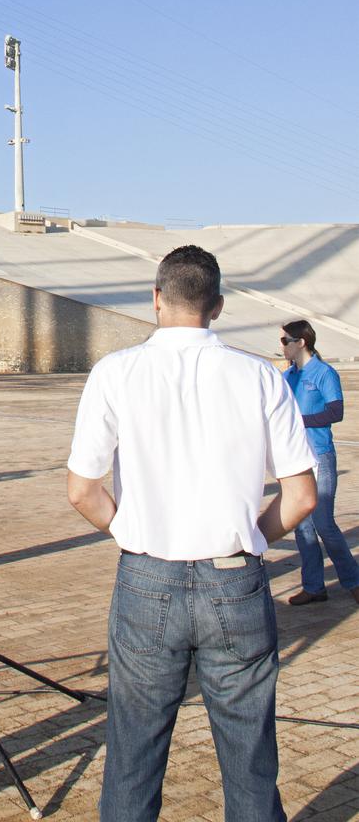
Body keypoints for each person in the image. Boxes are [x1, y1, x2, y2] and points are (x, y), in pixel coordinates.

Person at [67, 245, 317, 822]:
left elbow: (82, 490)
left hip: (146, 575)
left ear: (156, 299)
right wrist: (248, 537)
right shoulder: (259, 375)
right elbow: (301, 496)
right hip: (235, 577)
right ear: (219, 305)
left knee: (132, 755)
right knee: (250, 761)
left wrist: (129, 528)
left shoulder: (116, 371)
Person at [280, 319, 359, 606]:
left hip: (319, 455)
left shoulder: (324, 373)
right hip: (295, 458)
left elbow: (335, 411)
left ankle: (353, 580)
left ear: (301, 342)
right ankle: (314, 586)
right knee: (301, 525)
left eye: (285, 341)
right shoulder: (288, 376)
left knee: (324, 523)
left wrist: (300, 421)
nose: (283, 347)